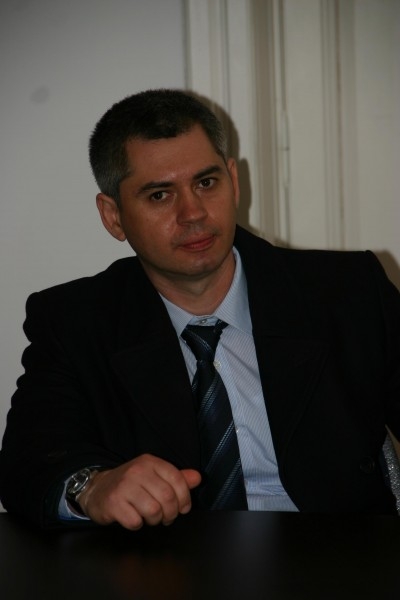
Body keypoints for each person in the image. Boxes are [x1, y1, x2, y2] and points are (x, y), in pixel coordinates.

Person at [0, 89, 399, 530]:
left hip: (338, 550)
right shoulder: (75, 321)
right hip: (165, 563)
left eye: (206, 183)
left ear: (233, 181)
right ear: (113, 216)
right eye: (159, 195)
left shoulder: (347, 292)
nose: (193, 213)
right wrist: (91, 486)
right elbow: (26, 461)